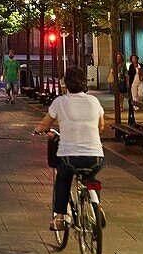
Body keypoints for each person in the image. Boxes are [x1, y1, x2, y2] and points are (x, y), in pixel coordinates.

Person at [33, 64, 104, 231]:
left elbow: (45, 124)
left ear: (65, 83)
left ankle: (60, 218)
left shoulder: (60, 102)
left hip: (69, 157)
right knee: (90, 178)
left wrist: (38, 130)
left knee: (63, 180)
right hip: (96, 157)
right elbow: (101, 126)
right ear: (84, 83)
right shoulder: (94, 101)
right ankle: (96, 207)